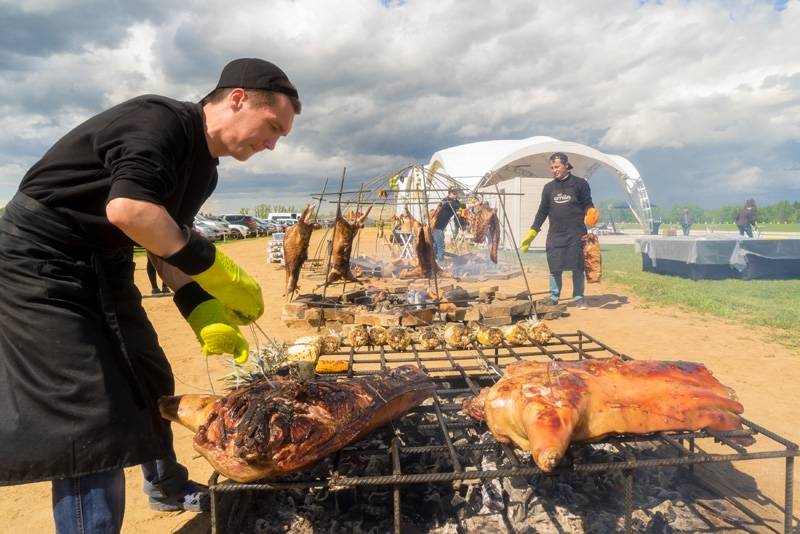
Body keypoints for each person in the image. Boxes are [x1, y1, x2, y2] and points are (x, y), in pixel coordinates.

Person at [0, 58, 300, 533]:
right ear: (238, 98)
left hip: (106, 263)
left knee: (148, 373)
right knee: (87, 412)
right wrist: (213, 265)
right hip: (39, 262)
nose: (272, 143)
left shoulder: (206, 172)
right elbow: (130, 210)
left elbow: (163, 245)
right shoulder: (157, 120)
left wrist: (203, 311)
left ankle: (166, 487)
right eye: (272, 127)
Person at [519, 153, 597, 310]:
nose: (554, 170)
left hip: (576, 233)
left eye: (557, 167)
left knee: (578, 267)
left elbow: (588, 203)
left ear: (566, 165)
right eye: (552, 168)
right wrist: (533, 231)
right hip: (556, 234)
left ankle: (579, 298)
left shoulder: (580, 184)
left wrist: (591, 212)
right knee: (555, 267)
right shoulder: (548, 188)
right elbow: (542, 211)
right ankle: (554, 297)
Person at [431, 187, 464, 262]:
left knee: (436, 245)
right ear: (449, 194)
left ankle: (436, 260)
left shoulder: (453, 201)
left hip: (441, 228)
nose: (456, 195)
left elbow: (459, 205)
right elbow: (456, 206)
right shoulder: (446, 201)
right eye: (454, 193)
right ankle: (440, 261)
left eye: (456, 193)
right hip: (437, 227)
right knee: (440, 245)